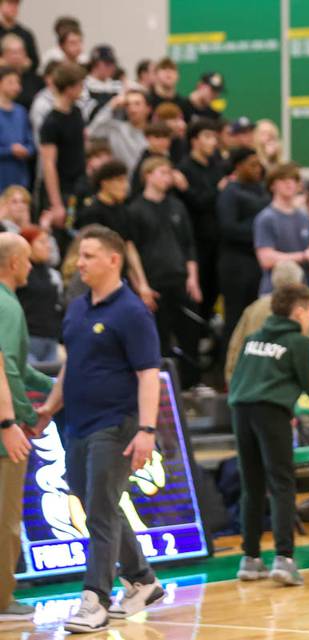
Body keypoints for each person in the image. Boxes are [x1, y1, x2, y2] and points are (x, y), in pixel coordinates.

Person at [35, 225, 165, 633]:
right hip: (75, 423)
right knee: (96, 506)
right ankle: (143, 579)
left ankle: (95, 599)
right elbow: (71, 365)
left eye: (89, 255)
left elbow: (148, 374)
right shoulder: (76, 307)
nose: (80, 262)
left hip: (117, 424)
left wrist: (146, 429)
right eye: (80, 255)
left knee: (103, 509)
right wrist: (49, 409)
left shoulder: (131, 311)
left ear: (114, 260)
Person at [230, 283, 309, 586]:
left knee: (251, 486)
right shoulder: (298, 342)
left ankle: (250, 559)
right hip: (271, 413)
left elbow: (240, 379)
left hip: (240, 411)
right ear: (300, 312)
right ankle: (284, 558)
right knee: (281, 483)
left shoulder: (254, 339)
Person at [0, 232, 52, 623]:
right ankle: (2, 602)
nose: (32, 266)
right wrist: (15, 419)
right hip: (4, 429)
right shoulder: (6, 305)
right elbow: (4, 366)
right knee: (6, 520)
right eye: (27, 259)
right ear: (13, 263)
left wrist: (58, 386)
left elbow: (19, 365)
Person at [127, 157, 201, 387]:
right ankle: (159, 384)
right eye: (162, 172)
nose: (167, 177)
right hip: (154, 281)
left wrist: (193, 278)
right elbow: (131, 249)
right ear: (147, 175)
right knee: (157, 337)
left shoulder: (177, 206)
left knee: (189, 332)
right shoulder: (135, 209)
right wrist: (141, 285)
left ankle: (191, 382)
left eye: (169, 173)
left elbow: (189, 244)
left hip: (179, 278)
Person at [75, 159, 152, 306]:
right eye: (120, 181)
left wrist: (142, 284)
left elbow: (128, 247)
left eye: (125, 181)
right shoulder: (92, 212)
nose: (125, 186)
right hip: (100, 278)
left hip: (119, 277)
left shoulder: (124, 210)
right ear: (105, 183)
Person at [254, 162, 309, 295]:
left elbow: (308, 250)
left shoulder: (303, 216)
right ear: (272, 185)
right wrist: (305, 256)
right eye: (283, 180)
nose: (289, 184)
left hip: (302, 289)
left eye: (293, 179)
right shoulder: (266, 218)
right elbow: (266, 259)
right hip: (275, 292)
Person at [217, 147, 269, 343]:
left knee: (256, 318)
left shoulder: (262, 189)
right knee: (235, 320)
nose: (257, 169)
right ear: (238, 166)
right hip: (235, 264)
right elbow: (228, 227)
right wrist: (260, 232)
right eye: (252, 165)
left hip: (256, 263)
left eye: (258, 164)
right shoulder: (230, 192)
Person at [176, 118, 226, 320]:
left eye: (214, 137)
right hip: (196, 241)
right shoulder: (185, 168)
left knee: (215, 289)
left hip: (217, 240)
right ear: (194, 140)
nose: (213, 141)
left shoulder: (217, 166)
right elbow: (198, 203)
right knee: (199, 292)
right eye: (207, 136)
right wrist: (218, 190)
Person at [225, 260, 304, 384]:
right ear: (298, 282)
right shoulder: (302, 310)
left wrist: (231, 377)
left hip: (247, 380)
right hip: (280, 385)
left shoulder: (254, 307)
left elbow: (236, 344)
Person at [39, 61, 86, 227]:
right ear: (69, 88)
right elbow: (48, 164)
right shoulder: (51, 122)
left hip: (78, 185)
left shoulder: (77, 112)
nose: (82, 89)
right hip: (62, 189)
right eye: (80, 85)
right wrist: (56, 204)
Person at [16, 225, 62, 364]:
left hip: (50, 339)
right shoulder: (18, 272)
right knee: (30, 383)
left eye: (48, 242)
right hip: (27, 338)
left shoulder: (51, 273)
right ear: (27, 245)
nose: (48, 246)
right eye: (42, 242)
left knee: (49, 383)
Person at [87, 89, 151, 172]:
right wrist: (112, 104)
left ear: (148, 109)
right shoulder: (116, 129)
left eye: (137, 104)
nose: (132, 109)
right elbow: (93, 132)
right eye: (127, 105)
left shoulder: (155, 133)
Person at [0, 65, 33, 190]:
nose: (16, 87)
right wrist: (10, 150)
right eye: (10, 82)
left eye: (18, 82)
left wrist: (26, 150)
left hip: (19, 177)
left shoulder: (21, 111)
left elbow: (30, 142)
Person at [0, 33, 43, 111]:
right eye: (13, 52)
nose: (17, 56)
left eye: (20, 51)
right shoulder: (2, 79)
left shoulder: (36, 80)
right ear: (3, 55)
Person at [85, 44, 122, 118]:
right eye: (107, 64)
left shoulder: (118, 85)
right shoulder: (84, 85)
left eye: (113, 63)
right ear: (95, 64)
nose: (112, 67)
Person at [0, 0, 37, 73]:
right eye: (10, 3)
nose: (13, 7)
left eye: (16, 4)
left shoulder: (26, 34)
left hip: (23, 77)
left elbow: (34, 61)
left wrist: (22, 63)